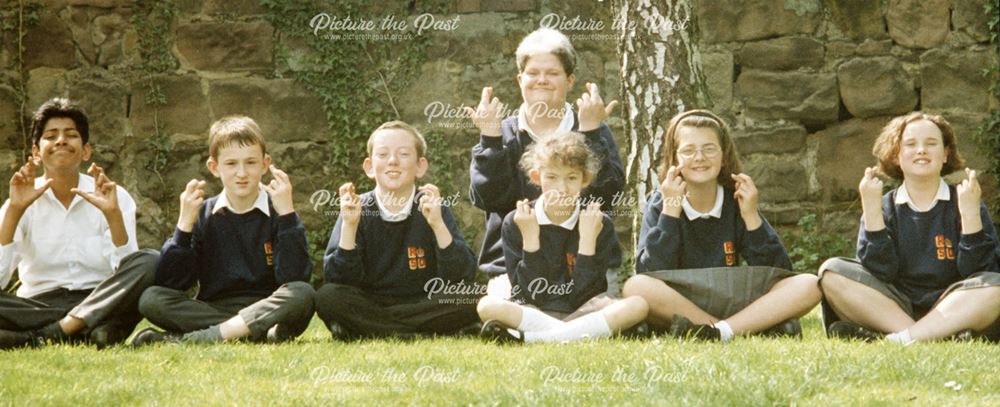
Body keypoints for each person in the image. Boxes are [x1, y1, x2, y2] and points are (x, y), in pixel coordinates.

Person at [623, 110, 820, 341]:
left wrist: (751, 217)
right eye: (688, 150)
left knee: (809, 283)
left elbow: (778, 272)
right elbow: (649, 272)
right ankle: (729, 329)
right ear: (674, 159)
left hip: (731, 298)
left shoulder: (736, 199)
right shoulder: (662, 201)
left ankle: (720, 330)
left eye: (709, 149)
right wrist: (670, 212)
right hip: (681, 302)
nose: (699, 157)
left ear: (723, 156)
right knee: (635, 287)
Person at [466, 27, 625, 298]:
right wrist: (490, 140)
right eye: (533, 73)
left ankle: (546, 330)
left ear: (570, 80)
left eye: (552, 73)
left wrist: (591, 135)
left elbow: (608, 197)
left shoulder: (589, 126)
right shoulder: (500, 131)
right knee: (499, 306)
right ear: (520, 79)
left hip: (584, 261)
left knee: (607, 306)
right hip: (513, 263)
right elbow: (488, 199)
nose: (542, 80)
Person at [818, 112, 1000, 343]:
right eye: (911, 144)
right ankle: (929, 335)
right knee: (831, 272)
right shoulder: (884, 205)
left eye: (931, 144)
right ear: (896, 156)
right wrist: (872, 209)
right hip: (894, 308)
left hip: (954, 303)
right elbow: (880, 271)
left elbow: (978, 272)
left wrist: (970, 215)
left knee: (996, 287)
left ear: (946, 154)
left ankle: (904, 338)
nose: (921, 150)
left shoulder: (966, 199)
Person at [132, 115, 314, 345]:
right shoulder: (204, 213)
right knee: (151, 299)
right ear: (214, 167)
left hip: (268, 304)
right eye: (231, 164)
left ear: (265, 164)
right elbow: (172, 284)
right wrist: (183, 226)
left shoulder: (278, 209)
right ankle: (249, 333)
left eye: (251, 162)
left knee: (302, 294)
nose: (242, 173)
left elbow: (295, 277)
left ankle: (202, 337)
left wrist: (288, 215)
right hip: (216, 307)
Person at [0, 97, 158, 349]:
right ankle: (85, 331)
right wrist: (15, 211)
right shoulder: (19, 200)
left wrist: (113, 216)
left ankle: (43, 336)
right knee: (105, 322)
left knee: (150, 260)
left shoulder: (113, 196)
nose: (61, 140)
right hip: (38, 306)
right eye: (51, 136)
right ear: (36, 152)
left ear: (85, 150)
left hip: (100, 298)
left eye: (70, 135)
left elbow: (125, 271)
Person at [315, 121, 481, 340]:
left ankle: (371, 329)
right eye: (382, 155)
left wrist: (438, 225)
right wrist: (349, 226)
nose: (392, 161)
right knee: (327, 297)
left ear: (420, 166)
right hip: (371, 301)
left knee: (475, 296)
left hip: (424, 301)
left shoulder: (432, 206)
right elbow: (338, 280)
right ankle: (419, 334)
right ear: (369, 167)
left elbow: (462, 274)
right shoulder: (357, 207)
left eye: (403, 154)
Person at [477, 132, 646, 343]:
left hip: (584, 311)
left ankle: (533, 339)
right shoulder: (518, 221)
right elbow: (529, 295)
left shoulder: (597, 221)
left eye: (572, 178)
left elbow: (585, 296)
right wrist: (530, 240)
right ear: (536, 177)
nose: (562, 189)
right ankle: (576, 335)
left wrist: (587, 242)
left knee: (638, 304)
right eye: (552, 177)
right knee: (487, 306)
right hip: (534, 311)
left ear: (585, 179)